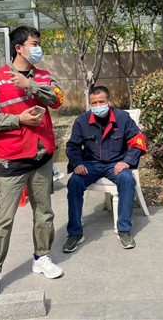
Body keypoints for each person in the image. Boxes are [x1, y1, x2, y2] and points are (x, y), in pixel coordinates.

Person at [0, 26, 64, 304]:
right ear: (19, 48)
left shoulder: (44, 76)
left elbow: (56, 100)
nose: (38, 48)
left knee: (44, 213)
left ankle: (42, 257)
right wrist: (18, 120)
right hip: (11, 158)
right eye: (34, 43)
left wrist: (31, 86)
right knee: (3, 220)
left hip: (41, 156)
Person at [63, 86, 147, 252]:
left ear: (109, 101)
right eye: (94, 103)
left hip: (115, 164)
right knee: (74, 182)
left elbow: (138, 141)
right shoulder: (81, 121)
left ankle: (124, 230)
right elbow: (72, 146)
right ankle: (75, 233)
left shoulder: (123, 118)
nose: (98, 105)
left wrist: (127, 162)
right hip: (90, 164)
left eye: (101, 102)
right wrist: (77, 163)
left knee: (127, 179)